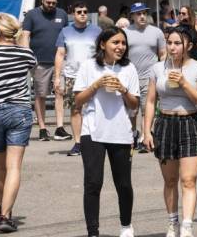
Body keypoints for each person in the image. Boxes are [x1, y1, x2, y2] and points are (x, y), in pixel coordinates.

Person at [143, 26, 197, 237]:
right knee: (170, 180)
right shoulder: (157, 68)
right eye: (169, 43)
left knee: (188, 180)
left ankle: (187, 226)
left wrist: (183, 83)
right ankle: (173, 222)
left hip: (190, 122)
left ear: (188, 45)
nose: (172, 47)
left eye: (177, 43)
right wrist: (146, 131)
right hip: (165, 123)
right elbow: (151, 101)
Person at [74, 27, 140, 237]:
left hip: (121, 131)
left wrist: (123, 90)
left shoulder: (129, 68)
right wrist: (95, 85)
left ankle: (126, 226)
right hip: (92, 131)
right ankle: (93, 232)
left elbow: (134, 105)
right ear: (103, 44)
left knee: (123, 183)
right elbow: (77, 101)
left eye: (123, 43)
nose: (120, 47)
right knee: (93, 182)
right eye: (115, 42)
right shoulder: (88, 66)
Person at [0, 13, 37, 233]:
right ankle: (6, 215)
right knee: (14, 166)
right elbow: (32, 65)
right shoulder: (25, 54)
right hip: (19, 110)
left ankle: (4, 212)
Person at [20, 0, 69, 141]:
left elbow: (67, 35)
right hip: (39, 62)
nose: (51, 5)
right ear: (42, 0)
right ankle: (42, 128)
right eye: (48, 2)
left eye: (54, 3)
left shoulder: (62, 14)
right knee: (40, 95)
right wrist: (28, 56)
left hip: (59, 61)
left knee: (59, 92)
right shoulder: (31, 15)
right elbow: (25, 36)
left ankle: (60, 128)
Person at [54, 2, 101, 156]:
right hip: (72, 76)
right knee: (75, 110)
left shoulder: (97, 30)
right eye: (79, 11)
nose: (82, 14)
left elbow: (103, 51)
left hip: (93, 76)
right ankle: (78, 143)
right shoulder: (65, 31)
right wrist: (57, 77)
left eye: (85, 11)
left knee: (95, 110)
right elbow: (60, 54)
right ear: (73, 14)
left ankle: (95, 141)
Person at [124, 3, 167, 153]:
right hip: (130, 76)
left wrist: (162, 71)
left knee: (146, 108)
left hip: (149, 77)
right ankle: (133, 135)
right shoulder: (125, 32)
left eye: (144, 13)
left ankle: (144, 136)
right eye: (138, 14)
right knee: (131, 110)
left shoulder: (156, 32)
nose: (142, 16)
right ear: (132, 16)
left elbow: (163, 53)